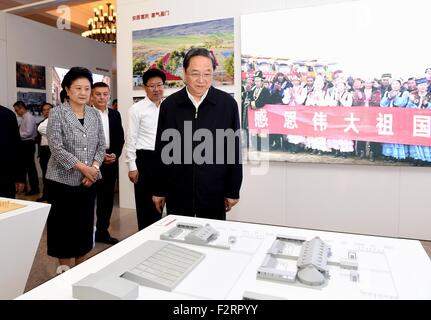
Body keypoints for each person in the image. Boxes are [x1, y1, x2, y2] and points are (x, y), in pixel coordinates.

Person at [152, 47, 242, 220]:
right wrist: (159, 189)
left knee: (212, 238)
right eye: (195, 73)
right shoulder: (170, 105)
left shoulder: (227, 104)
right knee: (178, 239)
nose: (201, 80)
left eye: (207, 74)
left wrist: (233, 189)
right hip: (177, 189)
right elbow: (161, 150)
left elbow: (233, 150)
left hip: (214, 189)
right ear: (185, 73)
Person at [46, 67, 105, 274]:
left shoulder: (94, 114)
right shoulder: (57, 113)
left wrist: (94, 169)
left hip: (88, 181)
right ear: (67, 90)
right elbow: (56, 148)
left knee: (84, 226)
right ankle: (64, 272)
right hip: (61, 182)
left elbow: (101, 145)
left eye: (86, 88)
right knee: (63, 228)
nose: (83, 92)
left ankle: (80, 270)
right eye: (77, 88)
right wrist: (85, 169)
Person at [126, 68, 166, 230]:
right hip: (146, 160)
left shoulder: (169, 107)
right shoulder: (136, 109)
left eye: (159, 85)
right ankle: (145, 238)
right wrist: (132, 166)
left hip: (167, 158)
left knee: (165, 202)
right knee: (146, 207)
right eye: (152, 86)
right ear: (145, 87)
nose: (156, 89)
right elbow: (130, 138)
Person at [91, 82, 124, 243]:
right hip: (90, 164)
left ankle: (102, 232)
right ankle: (85, 234)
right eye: (98, 94)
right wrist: (98, 155)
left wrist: (115, 154)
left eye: (105, 94)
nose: (102, 97)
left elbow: (120, 138)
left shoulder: (115, 114)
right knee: (89, 200)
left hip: (110, 163)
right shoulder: (86, 114)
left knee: (106, 200)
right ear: (92, 95)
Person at [13, 101, 39, 196]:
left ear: (21, 108)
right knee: (25, 167)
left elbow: (28, 132)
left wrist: (16, 135)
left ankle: (35, 189)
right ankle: (25, 188)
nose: (16, 112)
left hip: (28, 144)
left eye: (16, 110)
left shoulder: (29, 117)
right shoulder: (25, 117)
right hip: (25, 144)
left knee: (30, 168)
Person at [0, 105, 21, 198]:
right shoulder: (8, 114)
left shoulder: (8, 114)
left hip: (5, 172)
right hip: (5, 172)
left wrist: (19, 177)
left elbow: (15, 146)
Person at [36, 102, 53, 202]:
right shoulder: (41, 123)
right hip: (43, 151)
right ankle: (45, 195)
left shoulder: (56, 122)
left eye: (49, 109)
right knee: (44, 174)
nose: (47, 111)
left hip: (52, 151)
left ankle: (52, 196)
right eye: (44, 110)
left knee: (52, 176)